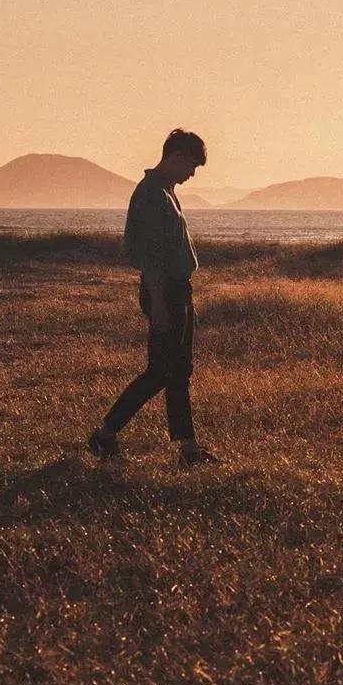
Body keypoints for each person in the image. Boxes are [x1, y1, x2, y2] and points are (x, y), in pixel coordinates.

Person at [88, 129, 219, 468]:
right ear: (176, 157)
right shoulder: (151, 195)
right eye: (192, 166)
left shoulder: (165, 192)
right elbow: (151, 257)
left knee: (178, 370)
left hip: (177, 290)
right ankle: (105, 433)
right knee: (161, 370)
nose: (192, 174)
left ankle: (187, 448)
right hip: (165, 290)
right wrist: (159, 301)